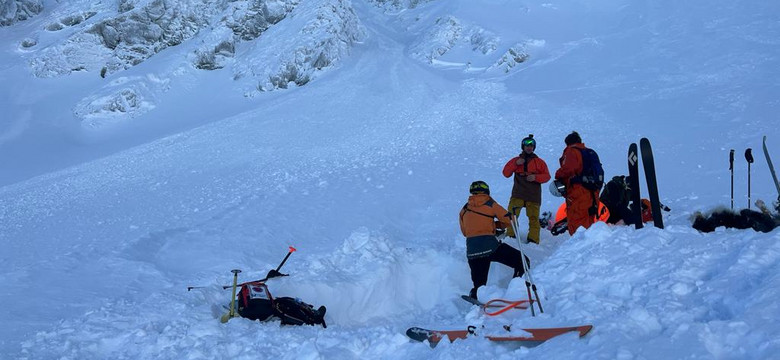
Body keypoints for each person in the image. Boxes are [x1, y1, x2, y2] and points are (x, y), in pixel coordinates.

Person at [459, 180, 528, 300]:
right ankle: (515, 290)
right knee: (522, 261)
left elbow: (465, 232)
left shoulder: (464, 210)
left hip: (472, 251)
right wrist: (496, 226)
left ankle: (476, 297)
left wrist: (487, 225)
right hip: (491, 247)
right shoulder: (490, 204)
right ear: (486, 191)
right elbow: (511, 220)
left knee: (479, 285)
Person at [502, 134, 551, 244]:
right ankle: (511, 237)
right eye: (527, 145)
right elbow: (506, 173)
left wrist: (535, 177)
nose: (529, 147)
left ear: (534, 147)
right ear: (523, 147)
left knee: (533, 218)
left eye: (531, 145)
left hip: (533, 195)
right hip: (518, 194)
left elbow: (547, 176)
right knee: (512, 216)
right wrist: (515, 163)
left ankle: (533, 240)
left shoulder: (539, 162)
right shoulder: (516, 160)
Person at [554, 131, 601, 235]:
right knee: (589, 220)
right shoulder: (590, 152)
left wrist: (558, 175)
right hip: (593, 191)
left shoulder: (571, 151)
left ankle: (579, 247)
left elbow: (568, 168)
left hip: (578, 191)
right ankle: (590, 247)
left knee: (577, 222)